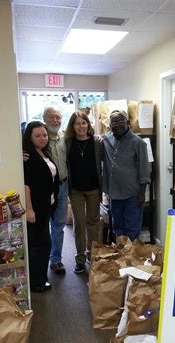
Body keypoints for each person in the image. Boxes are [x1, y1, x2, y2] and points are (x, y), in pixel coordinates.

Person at [23, 121, 59, 293]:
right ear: (29, 137)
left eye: (44, 135)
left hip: (47, 205)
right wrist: (29, 209)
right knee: (40, 245)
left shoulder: (43, 153)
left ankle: (40, 278)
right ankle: (36, 282)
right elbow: (26, 185)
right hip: (36, 208)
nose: (42, 138)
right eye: (38, 135)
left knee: (43, 243)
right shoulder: (28, 157)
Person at [64, 111, 103, 273]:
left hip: (94, 188)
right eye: (77, 123)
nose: (81, 126)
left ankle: (92, 255)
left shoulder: (97, 142)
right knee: (79, 223)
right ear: (72, 126)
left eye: (84, 123)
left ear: (88, 124)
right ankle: (80, 258)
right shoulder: (67, 143)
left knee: (93, 222)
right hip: (76, 190)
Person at [102, 110, 150, 240]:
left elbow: (144, 170)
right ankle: (122, 256)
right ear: (110, 125)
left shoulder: (139, 143)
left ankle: (131, 256)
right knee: (118, 227)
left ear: (127, 123)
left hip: (132, 194)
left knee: (132, 228)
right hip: (114, 193)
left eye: (120, 121)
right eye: (114, 122)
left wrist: (142, 194)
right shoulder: (106, 139)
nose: (117, 125)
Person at [42, 107, 69, 275]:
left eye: (58, 117)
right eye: (52, 117)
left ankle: (56, 260)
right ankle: (42, 260)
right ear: (45, 119)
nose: (56, 121)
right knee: (44, 225)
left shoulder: (65, 138)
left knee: (59, 225)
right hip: (45, 189)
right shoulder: (39, 139)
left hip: (63, 186)